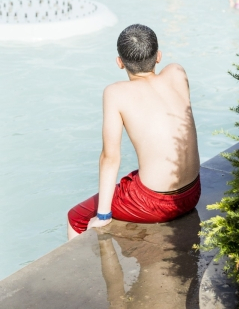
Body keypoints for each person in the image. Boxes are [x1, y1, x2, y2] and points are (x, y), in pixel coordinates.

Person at [67, 24, 201, 239]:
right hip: (192, 193)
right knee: (138, 176)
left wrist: (103, 216)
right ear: (159, 56)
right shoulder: (177, 72)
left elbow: (110, 158)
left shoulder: (116, 92)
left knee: (75, 217)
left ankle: (81, 271)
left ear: (119, 62)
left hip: (154, 204)